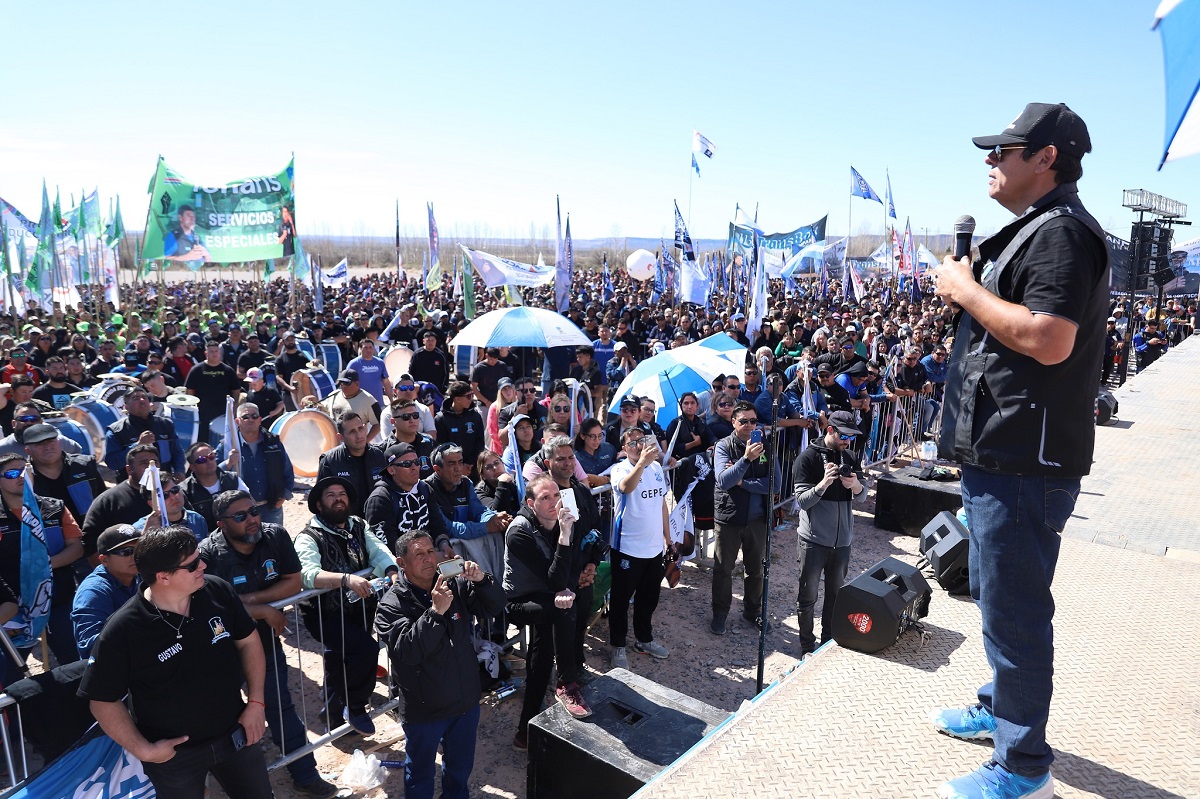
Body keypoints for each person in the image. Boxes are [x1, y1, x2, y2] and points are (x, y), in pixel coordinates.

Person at [931, 102, 1108, 799]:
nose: (992, 160)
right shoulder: (1036, 230)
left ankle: (1024, 769)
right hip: (1002, 454)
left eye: (1006, 149)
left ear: (1047, 158)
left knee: (1017, 614)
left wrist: (968, 291)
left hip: (1024, 462)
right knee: (999, 600)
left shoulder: (1062, 234)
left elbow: (1049, 338)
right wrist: (969, 289)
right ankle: (998, 708)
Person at [78, 525, 272, 799]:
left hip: (235, 734)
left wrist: (256, 703)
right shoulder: (122, 630)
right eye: (192, 564)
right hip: (174, 756)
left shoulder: (216, 591)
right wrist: (145, 750)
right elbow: (101, 700)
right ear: (163, 577)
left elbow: (249, 641)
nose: (203, 565)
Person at [199, 490, 339, 799]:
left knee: (280, 706)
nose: (251, 520)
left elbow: (292, 581)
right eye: (241, 516)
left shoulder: (274, 536)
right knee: (224, 720)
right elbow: (210, 609)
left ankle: (305, 775)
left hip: (262, 643)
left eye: (253, 511)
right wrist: (262, 610)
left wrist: (247, 602)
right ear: (221, 524)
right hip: (219, 650)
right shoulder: (207, 554)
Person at [375, 531, 506, 799]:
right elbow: (407, 651)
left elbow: (495, 606)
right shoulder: (391, 604)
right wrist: (435, 613)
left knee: (459, 771)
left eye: (430, 551)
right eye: (418, 554)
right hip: (425, 711)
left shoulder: (452, 585)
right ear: (402, 563)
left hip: (465, 703)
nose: (428, 559)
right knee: (420, 776)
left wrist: (481, 580)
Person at [295, 476, 399, 735]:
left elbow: (377, 550)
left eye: (341, 493)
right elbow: (307, 574)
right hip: (325, 613)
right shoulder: (308, 536)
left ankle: (332, 715)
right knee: (366, 649)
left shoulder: (357, 525)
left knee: (339, 659)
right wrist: (345, 580)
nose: (338, 498)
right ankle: (355, 706)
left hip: (359, 607)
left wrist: (392, 570)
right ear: (319, 504)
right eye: (330, 495)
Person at [502, 475, 593, 753]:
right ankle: (567, 681)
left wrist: (576, 576)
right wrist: (565, 536)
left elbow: (571, 567)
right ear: (531, 503)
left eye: (556, 495)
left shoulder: (564, 519)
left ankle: (524, 734)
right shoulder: (520, 531)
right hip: (519, 600)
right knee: (563, 610)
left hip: (549, 596)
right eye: (545, 498)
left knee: (541, 659)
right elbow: (554, 580)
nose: (554, 502)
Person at [0, 451, 83, 680]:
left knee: (78, 666)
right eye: (11, 473)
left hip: (58, 600)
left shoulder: (54, 507)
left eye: (25, 471)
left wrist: (43, 566)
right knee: (9, 675)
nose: (20, 477)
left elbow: (76, 547)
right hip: (14, 609)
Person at [791, 411, 866, 657]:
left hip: (842, 543)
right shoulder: (807, 458)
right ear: (830, 430)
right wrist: (823, 484)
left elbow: (862, 495)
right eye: (843, 436)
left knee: (835, 596)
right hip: (813, 541)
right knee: (808, 597)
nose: (847, 442)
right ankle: (806, 647)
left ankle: (826, 643)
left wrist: (854, 485)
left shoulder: (851, 457)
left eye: (851, 437)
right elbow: (802, 501)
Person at [711, 401, 782, 635]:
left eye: (753, 421)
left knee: (756, 570)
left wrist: (743, 482)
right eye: (744, 421)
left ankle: (752, 612)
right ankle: (720, 613)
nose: (750, 425)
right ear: (733, 422)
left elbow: (776, 484)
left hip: (757, 520)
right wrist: (746, 460)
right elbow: (724, 480)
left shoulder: (766, 446)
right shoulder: (723, 446)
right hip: (729, 519)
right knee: (723, 570)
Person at [607, 428, 671, 669]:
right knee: (621, 602)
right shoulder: (620, 469)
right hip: (627, 548)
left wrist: (668, 538)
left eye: (641, 441)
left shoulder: (655, 468)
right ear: (624, 448)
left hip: (654, 549)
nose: (637, 445)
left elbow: (662, 503)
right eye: (631, 442)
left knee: (648, 599)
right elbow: (625, 488)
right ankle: (618, 646)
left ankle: (644, 639)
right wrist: (641, 464)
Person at [425, 444, 510, 570]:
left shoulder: (465, 483)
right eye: (452, 464)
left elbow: (479, 512)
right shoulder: (427, 488)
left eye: (460, 462)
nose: (458, 468)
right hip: (446, 553)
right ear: (437, 469)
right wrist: (486, 526)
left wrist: (495, 519)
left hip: (467, 550)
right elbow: (448, 528)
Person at [364, 442, 450, 552]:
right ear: (391, 470)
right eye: (406, 464)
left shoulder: (425, 489)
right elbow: (385, 546)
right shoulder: (379, 499)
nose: (414, 468)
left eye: (416, 462)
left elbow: (437, 524)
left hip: (427, 557)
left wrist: (444, 545)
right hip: (399, 565)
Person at [82, 444, 162, 564]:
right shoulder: (108, 500)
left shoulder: (170, 494)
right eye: (143, 463)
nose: (150, 467)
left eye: (154, 462)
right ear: (129, 469)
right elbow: (91, 544)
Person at [220, 401, 295, 527]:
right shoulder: (229, 445)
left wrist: (284, 496)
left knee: (273, 544)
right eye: (245, 417)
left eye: (254, 416)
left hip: (271, 507)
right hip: (241, 511)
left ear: (260, 419)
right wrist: (228, 463)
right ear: (237, 421)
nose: (250, 419)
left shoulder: (273, 442)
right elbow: (214, 472)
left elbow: (287, 469)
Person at [72, 524, 141, 659]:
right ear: (104, 559)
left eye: (140, 549)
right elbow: (90, 646)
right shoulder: (93, 591)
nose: (135, 556)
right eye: (126, 552)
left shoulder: (144, 575)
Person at [105, 386, 186, 481]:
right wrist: (137, 445)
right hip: (133, 484)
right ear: (126, 406)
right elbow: (112, 463)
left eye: (145, 397)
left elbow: (177, 452)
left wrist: (179, 471)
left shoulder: (165, 424)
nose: (142, 400)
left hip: (164, 481)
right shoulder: (117, 431)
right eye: (136, 398)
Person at [317, 412, 387, 519]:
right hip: (346, 523)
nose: (359, 435)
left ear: (365, 428)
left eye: (360, 428)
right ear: (341, 437)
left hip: (378, 519)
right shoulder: (330, 461)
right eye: (352, 432)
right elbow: (322, 499)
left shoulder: (380, 455)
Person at [185, 339, 241, 443]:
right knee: (203, 442)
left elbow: (236, 391)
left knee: (222, 443)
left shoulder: (228, 370)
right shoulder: (196, 370)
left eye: (216, 351)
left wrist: (234, 408)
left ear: (220, 353)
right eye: (211, 351)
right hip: (202, 414)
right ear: (206, 353)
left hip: (223, 414)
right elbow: (190, 391)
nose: (214, 354)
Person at [180, 442, 243, 533]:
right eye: (202, 460)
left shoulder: (233, 479)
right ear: (192, 467)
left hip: (237, 532)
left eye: (211, 456)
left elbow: (249, 505)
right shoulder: (184, 491)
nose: (209, 462)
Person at [132, 471, 209, 543]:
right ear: (151, 503)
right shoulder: (140, 529)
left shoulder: (197, 519)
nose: (173, 497)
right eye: (164, 495)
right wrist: (145, 536)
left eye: (175, 490)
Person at [435, 381, 486, 470]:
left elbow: (480, 442)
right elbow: (442, 447)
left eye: (472, 395)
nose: (472, 399)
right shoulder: (441, 419)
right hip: (451, 469)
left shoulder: (475, 416)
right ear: (457, 399)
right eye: (468, 396)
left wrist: (469, 464)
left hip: (473, 467)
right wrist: (459, 466)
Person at [0, 403, 83, 458]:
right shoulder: (2, 448)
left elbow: (77, 452)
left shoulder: (57, 441)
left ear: (41, 422)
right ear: (14, 424)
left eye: (34, 419)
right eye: (23, 419)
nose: (29, 422)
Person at [321, 368, 383, 442]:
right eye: (342, 383)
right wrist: (310, 400)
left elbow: (378, 424)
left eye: (347, 383)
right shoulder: (334, 395)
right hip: (335, 441)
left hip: (356, 443)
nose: (344, 386)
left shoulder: (368, 400)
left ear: (357, 383)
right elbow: (321, 408)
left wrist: (366, 441)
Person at [387, 399, 436, 478]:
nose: (412, 420)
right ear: (393, 421)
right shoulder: (384, 449)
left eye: (415, 415)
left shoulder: (429, 443)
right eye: (406, 417)